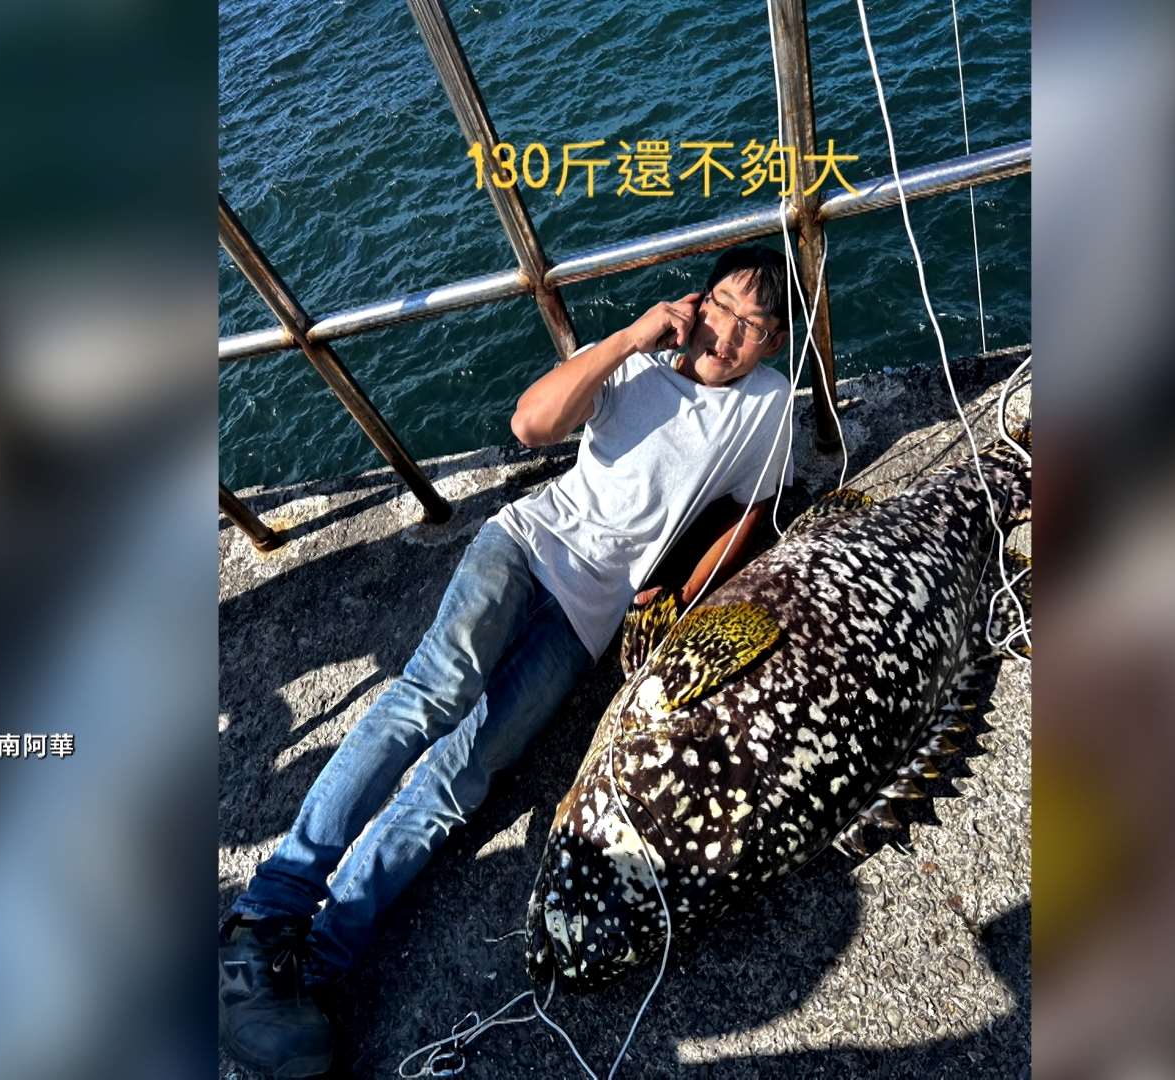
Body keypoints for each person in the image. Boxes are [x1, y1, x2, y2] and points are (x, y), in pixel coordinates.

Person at [219, 245, 799, 1077]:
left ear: (773, 342)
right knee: (431, 697)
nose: (731, 334)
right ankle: (262, 921)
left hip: (588, 620)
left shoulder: (768, 404)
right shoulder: (632, 365)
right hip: (523, 548)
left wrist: (684, 593)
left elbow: (749, 512)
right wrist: (627, 339)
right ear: (696, 302)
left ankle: (313, 966)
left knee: (464, 776)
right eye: (724, 308)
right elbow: (530, 427)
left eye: (756, 325)